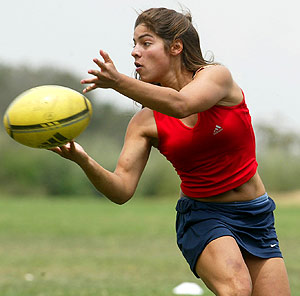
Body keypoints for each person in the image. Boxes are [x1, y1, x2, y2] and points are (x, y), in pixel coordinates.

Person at [51, 7, 290, 296]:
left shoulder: (216, 78)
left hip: (257, 213)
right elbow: (121, 189)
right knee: (237, 290)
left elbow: (181, 104)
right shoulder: (144, 121)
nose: (135, 52)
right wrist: (84, 160)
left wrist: (118, 83)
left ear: (176, 46)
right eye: (134, 44)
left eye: (146, 43)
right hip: (204, 216)